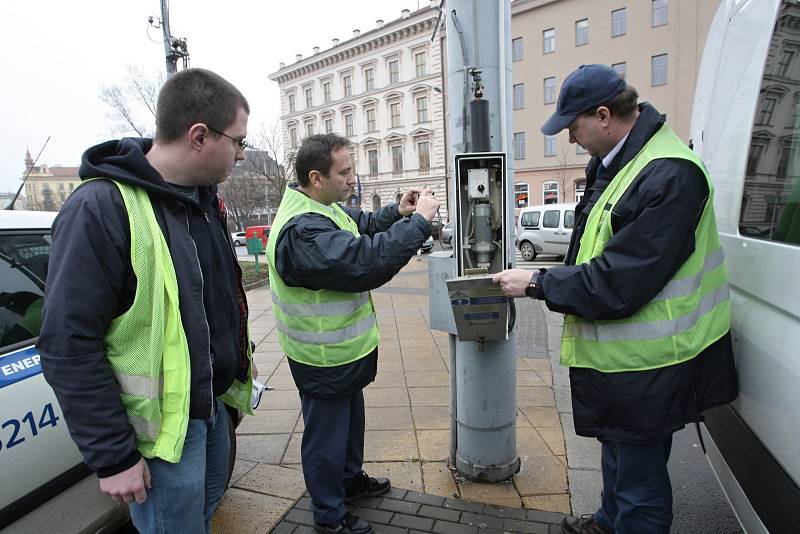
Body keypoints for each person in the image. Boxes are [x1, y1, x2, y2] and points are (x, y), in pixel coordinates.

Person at [493, 64, 738, 534]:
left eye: (573, 126)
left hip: (650, 363)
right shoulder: (620, 164)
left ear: (604, 116)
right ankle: (607, 523)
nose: (569, 139)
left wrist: (538, 283)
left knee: (640, 483)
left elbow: (620, 281)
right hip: (620, 360)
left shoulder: (669, 174)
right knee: (616, 456)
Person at [38, 68, 256, 534]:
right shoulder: (100, 208)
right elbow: (68, 344)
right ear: (199, 135)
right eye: (238, 141)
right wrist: (114, 456)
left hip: (212, 412)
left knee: (199, 518)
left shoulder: (203, 200)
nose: (241, 153)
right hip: (160, 440)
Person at [265, 133, 439, 534]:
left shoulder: (323, 208)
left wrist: (397, 211)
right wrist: (417, 224)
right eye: (344, 172)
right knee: (325, 439)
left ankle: (349, 480)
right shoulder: (302, 231)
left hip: (342, 355)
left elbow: (363, 225)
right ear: (316, 177)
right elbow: (365, 262)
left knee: (349, 426)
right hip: (322, 358)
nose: (352, 178)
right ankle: (329, 515)